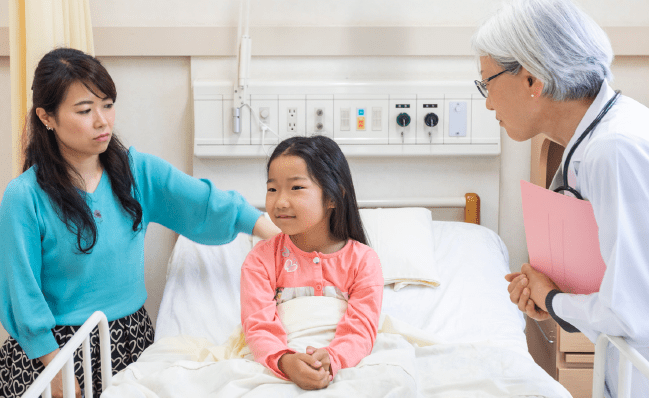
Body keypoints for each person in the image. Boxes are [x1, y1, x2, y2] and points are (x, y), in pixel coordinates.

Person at [0, 47, 280, 398]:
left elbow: (207, 204)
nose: (103, 120)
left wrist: (277, 237)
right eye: (85, 110)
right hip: (53, 356)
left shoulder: (136, 173)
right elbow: (20, 295)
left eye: (108, 104)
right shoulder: (24, 197)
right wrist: (57, 371)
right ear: (46, 117)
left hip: (130, 344)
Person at [472, 0, 649, 396]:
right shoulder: (589, 144)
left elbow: (634, 311)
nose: (487, 102)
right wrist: (554, 296)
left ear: (532, 80)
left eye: (488, 83)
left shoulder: (615, 150)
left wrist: (552, 299)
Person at [239, 135, 383, 390]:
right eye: (272, 189)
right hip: (278, 363)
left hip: (345, 365)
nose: (280, 201)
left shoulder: (363, 261)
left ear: (332, 197)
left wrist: (333, 358)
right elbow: (258, 326)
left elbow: (361, 330)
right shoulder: (260, 261)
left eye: (296, 188)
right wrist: (285, 361)